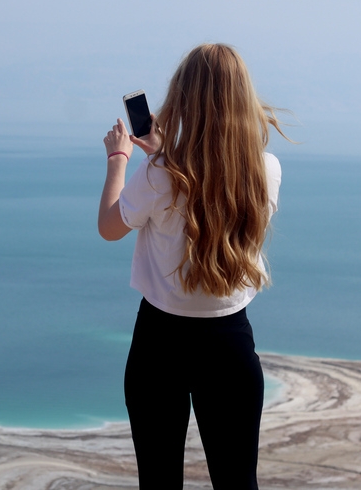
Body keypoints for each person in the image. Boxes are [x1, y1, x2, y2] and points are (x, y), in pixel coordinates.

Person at [97, 43, 290, 490]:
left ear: (183, 98)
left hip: (159, 345)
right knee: (238, 482)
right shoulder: (266, 169)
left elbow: (110, 226)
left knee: (159, 483)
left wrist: (119, 161)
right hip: (230, 346)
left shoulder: (158, 173)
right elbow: (207, 190)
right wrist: (162, 159)